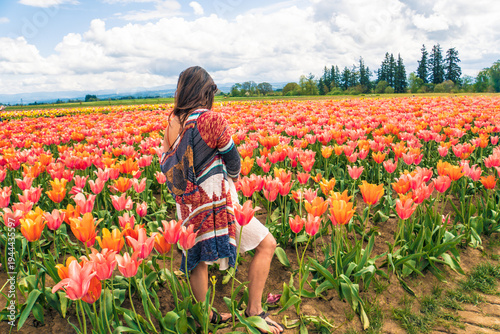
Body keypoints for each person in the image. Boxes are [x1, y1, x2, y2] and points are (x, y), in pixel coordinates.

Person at [160, 66, 283, 333]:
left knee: (197, 257)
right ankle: (255, 311)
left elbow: (168, 167)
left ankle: (204, 317)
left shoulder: (172, 123)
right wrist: (232, 178)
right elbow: (233, 159)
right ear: (205, 91)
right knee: (267, 244)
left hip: (189, 206)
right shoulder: (210, 120)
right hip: (217, 202)